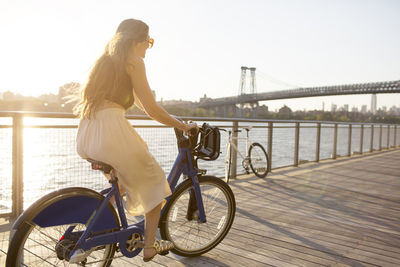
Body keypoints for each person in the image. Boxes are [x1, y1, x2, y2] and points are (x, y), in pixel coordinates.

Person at [74, 18, 197, 262]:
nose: (148, 48)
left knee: (119, 185)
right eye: (149, 42)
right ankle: (149, 246)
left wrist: (170, 117)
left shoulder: (105, 62)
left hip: (87, 133)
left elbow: (142, 104)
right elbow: (151, 109)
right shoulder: (134, 61)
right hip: (112, 134)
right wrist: (183, 125)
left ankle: (97, 229)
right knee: (156, 187)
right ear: (138, 40)